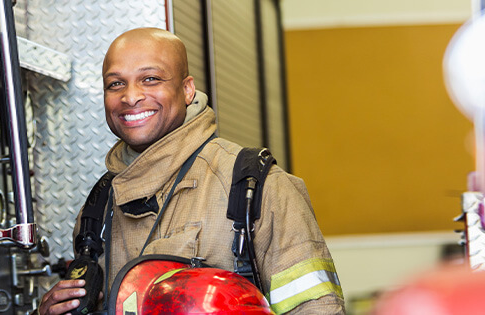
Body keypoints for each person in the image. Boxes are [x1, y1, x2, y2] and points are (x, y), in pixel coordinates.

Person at [37, 28, 344, 314]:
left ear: (187, 90)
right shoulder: (99, 206)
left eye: (151, 79)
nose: (130, 97)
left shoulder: (256, 188)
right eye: (115, 84)